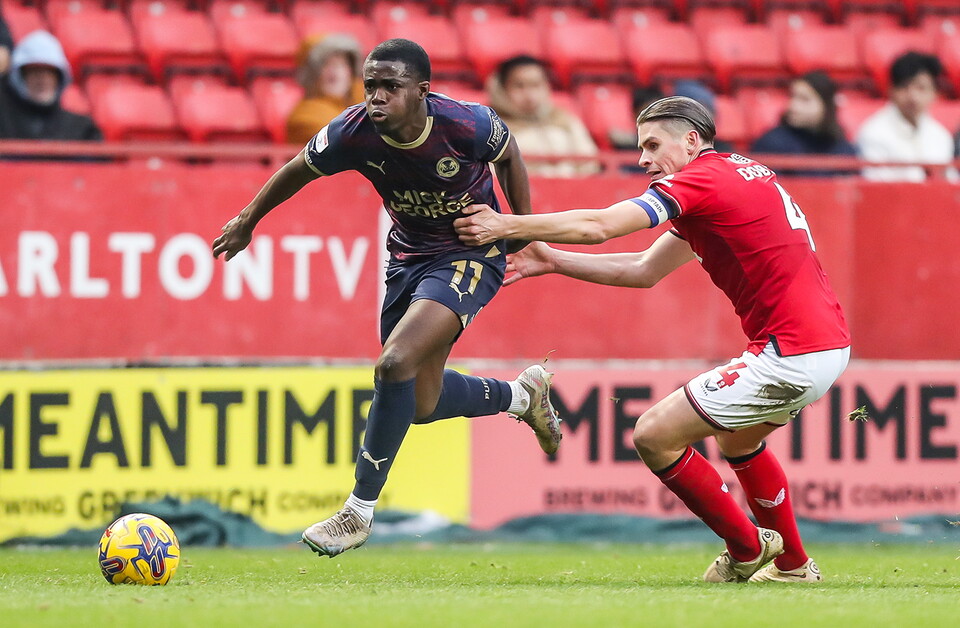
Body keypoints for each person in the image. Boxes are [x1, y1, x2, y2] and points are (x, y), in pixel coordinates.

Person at [454, 96, 851, 583]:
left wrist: (507, 224)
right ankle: (792, 566)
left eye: (652, 144)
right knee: (739, 439)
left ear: (691, 141)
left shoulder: (703, 180)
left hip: (790, 351)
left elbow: (601, 226)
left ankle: (747, 550)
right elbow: (642, 270)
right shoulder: (732, 178)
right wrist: (552, 260)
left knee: (652, 436)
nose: (642, 158)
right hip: (822, 344)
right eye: (640, 146)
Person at [212, 39, 561, 558]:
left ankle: (357, 511)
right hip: (408, 259)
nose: (375, 97)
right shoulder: (352, 132)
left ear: (421, 91)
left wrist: (518, 225)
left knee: (394, 363)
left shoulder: (465, 124)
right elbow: (295, 170)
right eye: (370, 85)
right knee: (420, 402)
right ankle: (521, 397)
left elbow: (507, 151)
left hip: (470, 251)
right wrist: (247, 221)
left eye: (389, 87)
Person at [487, 54, 599, 177]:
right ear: (502, 88)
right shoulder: (491, 128)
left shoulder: (564, 120)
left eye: (535, 85)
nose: (529, 96)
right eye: (519, 86)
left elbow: (590, 164)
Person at [857, 51, 954, 182]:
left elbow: (950, 183)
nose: (913, 97)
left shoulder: (940, 135)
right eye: (904, 87)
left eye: (921, 88)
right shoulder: (874, 133)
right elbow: (876, 187)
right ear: (891, 90)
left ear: (934, 93)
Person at [0, 30, 102, 142]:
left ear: (59, 78)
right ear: (21, 77)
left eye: (49, 73)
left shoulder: (82, 129)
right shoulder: (4, 123)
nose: (42, 80)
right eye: (35, 72)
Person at [751, 72, 856, 176]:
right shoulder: (771, 143)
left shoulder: (843, 149)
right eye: (792, 96)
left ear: (827, 106)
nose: (793, 106)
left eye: (804, 99)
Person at [286, 33, 365, 146]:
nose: (335, 71)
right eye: (326, 64)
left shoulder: (356, 105)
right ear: (310, 74)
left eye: (342, 64)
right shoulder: (304, 117)